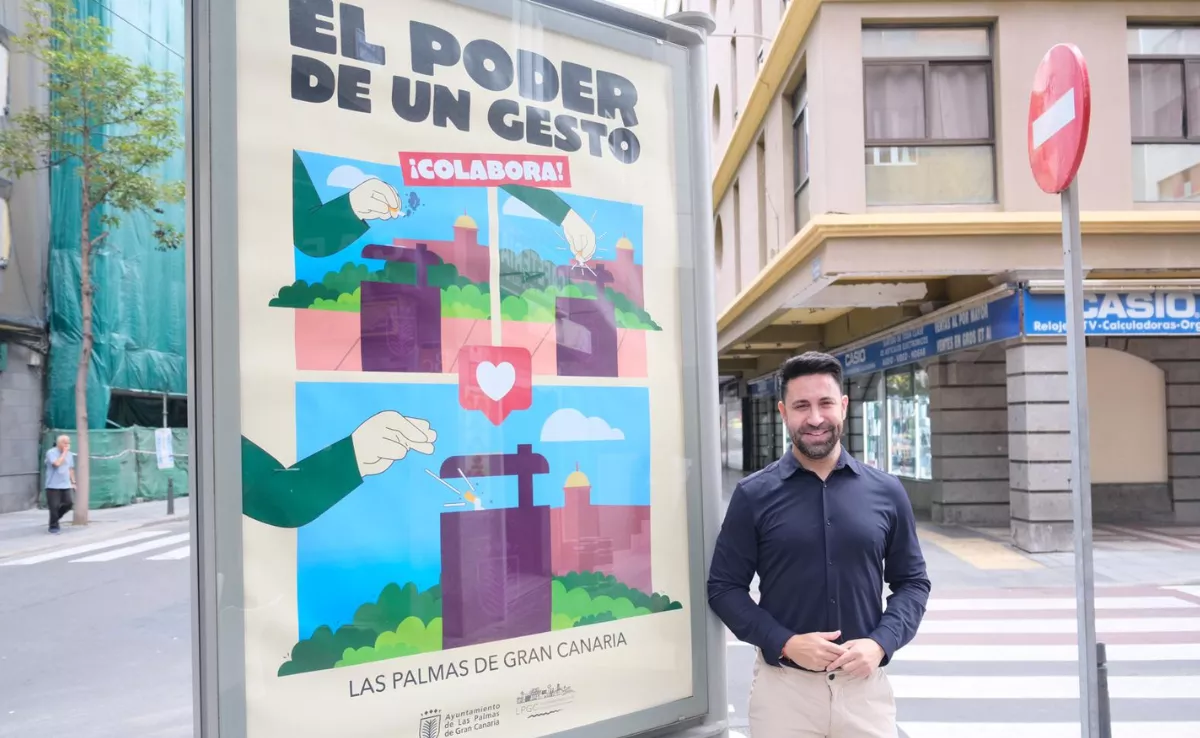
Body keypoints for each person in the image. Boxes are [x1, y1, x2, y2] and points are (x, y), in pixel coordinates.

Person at [707, 351, 931, 737]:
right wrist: (786, 643)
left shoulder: (887, 491)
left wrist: (880, 643)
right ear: (783, 412)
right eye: (801, 406)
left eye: (825, 403)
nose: (814, 418)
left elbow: (912, 582)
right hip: (784, 697)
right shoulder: (753, 495)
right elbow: (724, 588)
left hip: (864, 693)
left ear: (842, 406)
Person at [43, 435, 76, 534]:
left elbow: (70, 469)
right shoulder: (51, 452)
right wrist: (64, 453)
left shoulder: (70, 455)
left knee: (69, 503)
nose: (67, 445)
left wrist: (73, 482)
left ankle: (56, 518)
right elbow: (56, 464)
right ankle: (53, 526)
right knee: (54, 506)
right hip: (52, 485)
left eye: (68, 443)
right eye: (65, 443)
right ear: (59, 444)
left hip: (65, 484)